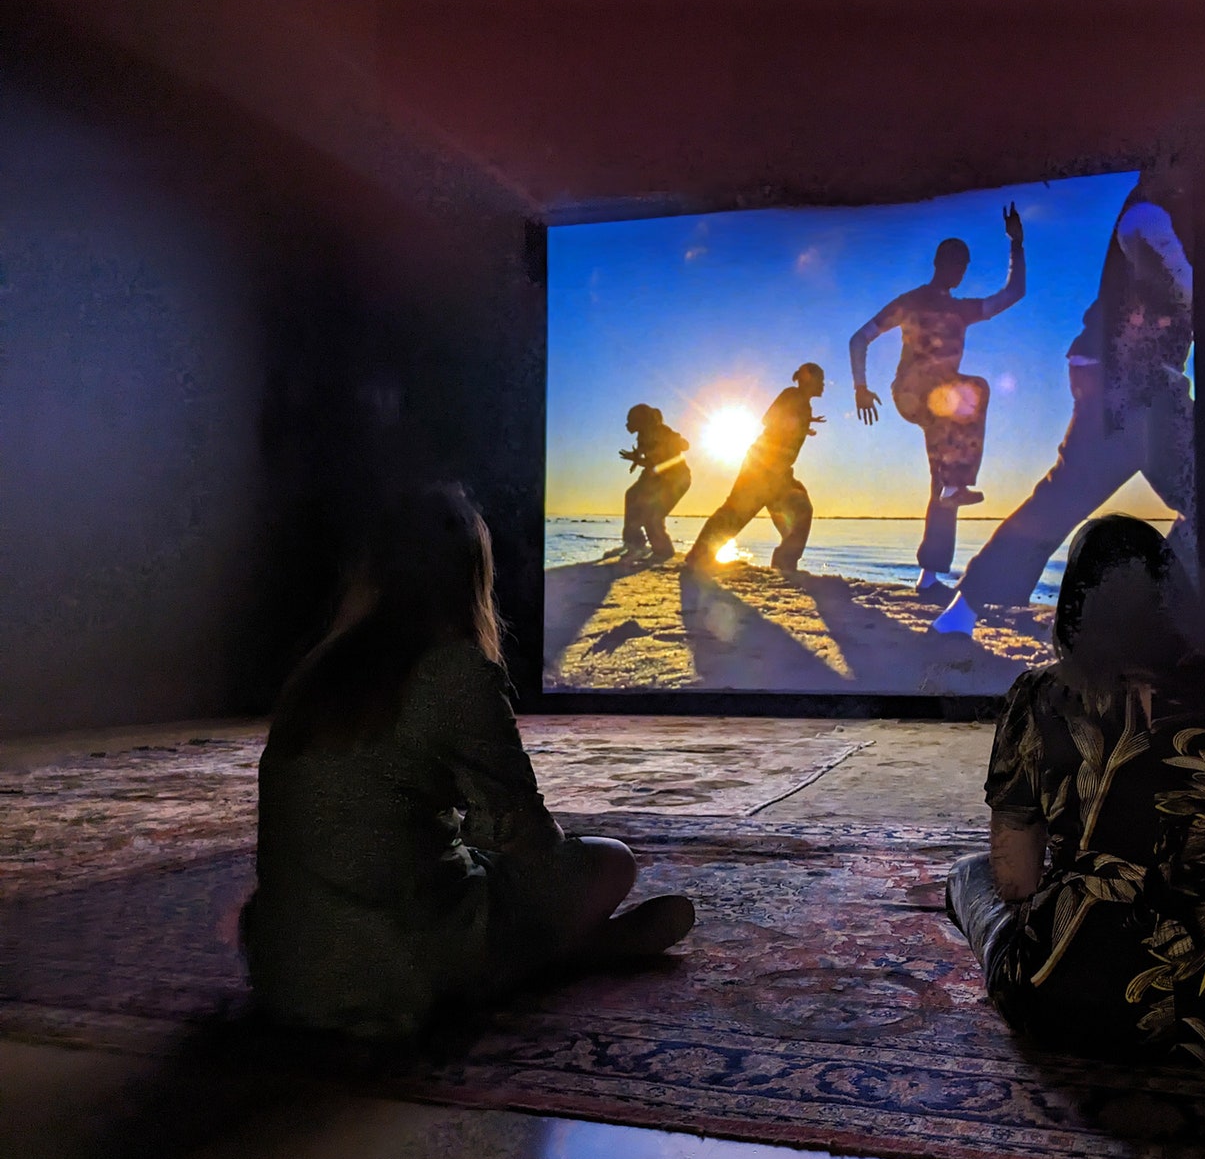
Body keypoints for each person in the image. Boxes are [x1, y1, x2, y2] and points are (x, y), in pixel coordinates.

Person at [242, 484, 696, 1040]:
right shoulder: (452, 671)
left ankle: (555, 954)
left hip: (284, 969)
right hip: (400, 967)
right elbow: (524, 837)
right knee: (613, 861)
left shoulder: (319, 669)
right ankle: (560, 958)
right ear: (469, 574)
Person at [945, 516, 1205, 1065]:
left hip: (1067, 1001)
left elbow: (1016, 881)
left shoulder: (1037, 696)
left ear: (1074, 605)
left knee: (969, 875)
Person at [932, 170, 1195, 635]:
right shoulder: (1148, 215)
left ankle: (1165, 609)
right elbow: (1182, 284)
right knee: (1072, 495)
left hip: (1144, 381)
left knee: (1075, 494)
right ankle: (965, 609)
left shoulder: (1167, 211)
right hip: (1125, 381)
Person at [849, 204, 1026, 590]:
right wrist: (860, 387)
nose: (958, 272)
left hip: (942, 406)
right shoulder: (909, 302)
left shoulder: (962, 310)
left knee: (943, 480)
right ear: (937, 262)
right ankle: (955, 481)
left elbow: (1015, 292)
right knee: (974, 387)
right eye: (953, 264)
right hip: (911, 393)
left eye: (963, 266)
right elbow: (859, 338)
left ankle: (929, 575)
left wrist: (1016, 243)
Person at [685, 363, 826, 573]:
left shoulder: (804, 405)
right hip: (762, 466)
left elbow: (787, 425)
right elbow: (769, 419)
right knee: (735, 512)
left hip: (778, 471)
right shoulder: (791, 395)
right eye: (820, 379)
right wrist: (799, 422)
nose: (823, 385)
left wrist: (804, 424)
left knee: (800, 510)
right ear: (808, 379)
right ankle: (699, 556)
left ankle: (784, 564)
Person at [615, 404, 692, 562]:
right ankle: (635, 544)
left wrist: (675, 441)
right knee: (632, 496)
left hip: (676, 480)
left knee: (653, 516)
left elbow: (683, 447)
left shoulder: (662, 432)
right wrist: (637, 458)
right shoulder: (643, 435)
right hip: (654, 477)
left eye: (631, 420)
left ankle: (663, 552)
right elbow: (652, 462)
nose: (628, 424)